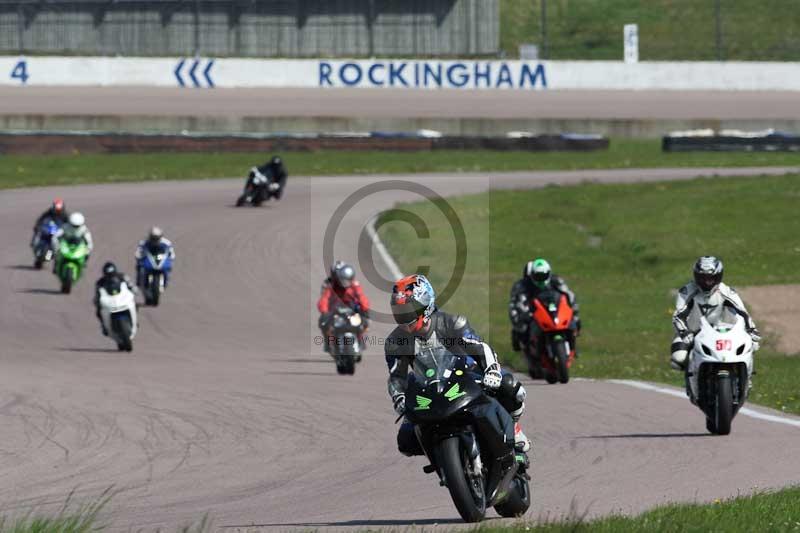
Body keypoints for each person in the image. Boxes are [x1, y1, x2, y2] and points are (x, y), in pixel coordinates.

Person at [386, 273, 531, 456]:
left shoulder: (451, 323)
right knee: (406, 441)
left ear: (425, 304)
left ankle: (514, 428)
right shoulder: (395, 342)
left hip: (467, 375)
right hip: (430, 388)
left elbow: (479, 348)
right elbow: (396, 376)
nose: (404, 316)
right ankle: (441, 459)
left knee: (511, 387)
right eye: (399, 311)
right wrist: (399, 397)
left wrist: (492, 371)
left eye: (408, 309)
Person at [670, 256, 761, 370]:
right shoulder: (686, 291)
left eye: (711, 278)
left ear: (719, 276)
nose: (707, 282)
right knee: (678, 359)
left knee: (747, 348)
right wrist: (684, 333)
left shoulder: (727, 291)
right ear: (696, 276)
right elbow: (678, 316)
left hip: (721, 332)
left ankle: (746, 377)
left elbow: (743, 312)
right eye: (702, 278)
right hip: (691, 333)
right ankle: (692, 377)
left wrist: (752, 330)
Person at [508, 258, 580, 354]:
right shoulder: (522, 286)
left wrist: (572, 310)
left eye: (543, 275)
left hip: (551, 310)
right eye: (538, 276)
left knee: (574, 322)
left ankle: (573, 346)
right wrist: (523, 316)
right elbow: (517, 304)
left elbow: (569, 295)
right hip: (532, 313)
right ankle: (529, 351)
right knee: (523, 330)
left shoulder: (556, 281)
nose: (541, 278)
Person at [317, 261, 370, 353]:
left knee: (365, 321)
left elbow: (361, 296)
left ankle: (361, 340)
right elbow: (324, 299)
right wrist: (324, 311)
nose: (345, 283)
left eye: (347, 280)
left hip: (352, 308)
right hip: (334, 308)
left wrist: (365, 308)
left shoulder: (355, 285)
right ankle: (329, 341)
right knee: (323, 322)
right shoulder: (329, 285)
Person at [94, 261, 137, 336]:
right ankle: (104, 326)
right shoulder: (100, 282)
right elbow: (97, 293)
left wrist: (133, 289)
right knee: (98, 311)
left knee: (134, 304)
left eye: (112, 275)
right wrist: (96, 300)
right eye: (108, 275)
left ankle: (134, 320)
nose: (110, 277)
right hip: (109, 300)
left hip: (122, 298)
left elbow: (130, 284)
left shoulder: (122, 276)